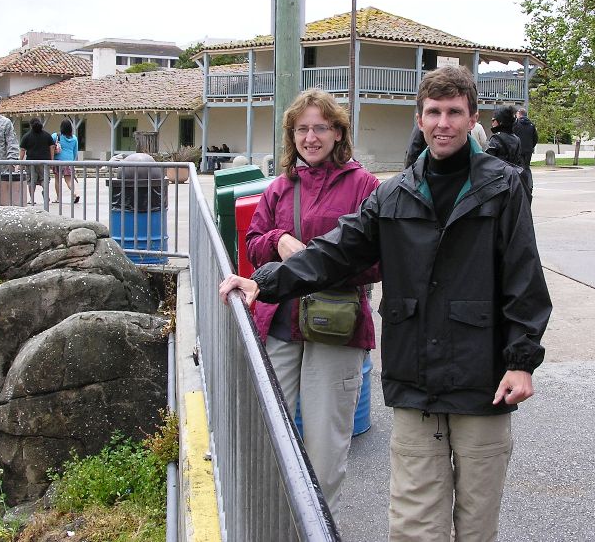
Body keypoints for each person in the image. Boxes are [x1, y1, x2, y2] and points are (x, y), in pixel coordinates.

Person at [219, 66, 552, 541]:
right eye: (433, 112)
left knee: (477, 520)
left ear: (472, 118)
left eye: (454, 112)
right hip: (414, 378)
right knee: (414, 523)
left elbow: (524, 276)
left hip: (483, 378)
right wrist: (266, 282)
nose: (443, 123)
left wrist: (522, 361)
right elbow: (336, 251)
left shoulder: (502, 187)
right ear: (419, 118)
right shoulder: (394, 194)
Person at [236, 89, 380, 523]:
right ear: (291, 136)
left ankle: (318, 526)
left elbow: (379, 259)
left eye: (320, 127)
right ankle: (274, 523)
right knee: (269, 431)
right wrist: (278, 240)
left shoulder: (365, 186)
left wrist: (320, 265)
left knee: (324, 443)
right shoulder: (280, 187)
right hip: (280, 324)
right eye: (302, 129)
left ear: (338, 133)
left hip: (337, 327)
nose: (311, 137)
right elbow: (252, 243)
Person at [19, 117, 55, 205]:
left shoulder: (26, 136)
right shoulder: (47, 135)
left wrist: (20, 162)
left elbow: (22, 150)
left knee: (31, 180)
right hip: (45, 162)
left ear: (31, 126)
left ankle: (32, 199)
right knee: (45, 179)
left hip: (31, 162)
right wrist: (52, 160)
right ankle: (45, 194)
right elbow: (52, 147)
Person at [51, 119, 79, 203]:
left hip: (58, 161)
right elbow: (75, 151)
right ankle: (75, 193)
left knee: (57, 180)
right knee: (69, 180)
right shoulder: (74, 138)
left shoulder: (56, 136)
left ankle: (59, 198)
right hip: (69, 161)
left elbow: (51, 148)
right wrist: (73, 161)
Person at [513, 106, 539, 188]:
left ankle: (520, 185)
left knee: (519, 168)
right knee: (527, 168)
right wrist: (531, 146)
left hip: (519, 149)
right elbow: (535, 138)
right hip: (528, 150)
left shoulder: (516, 124)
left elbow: (513, 136)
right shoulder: (531, 125)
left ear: (519, 114)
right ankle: (529, 185)